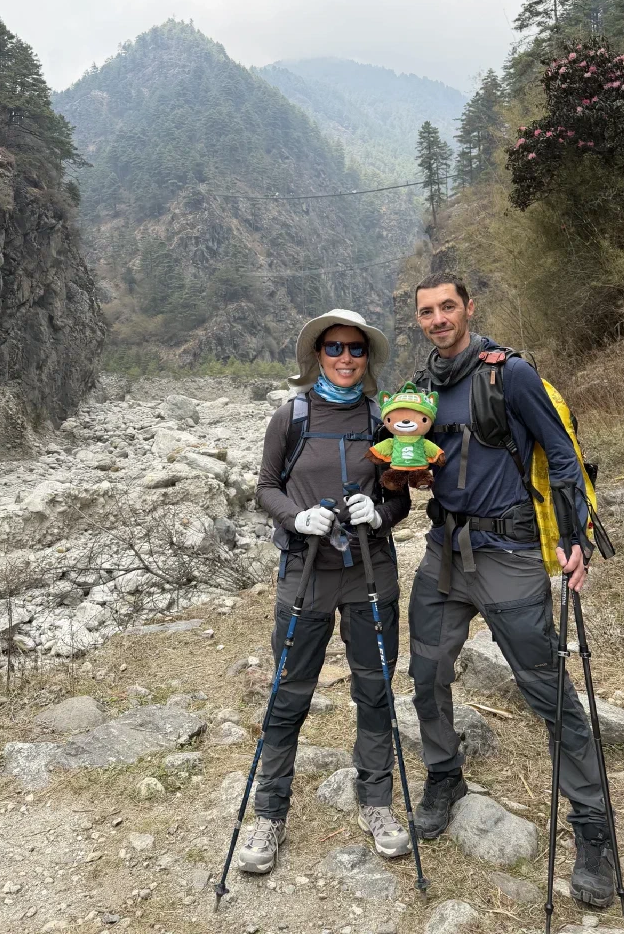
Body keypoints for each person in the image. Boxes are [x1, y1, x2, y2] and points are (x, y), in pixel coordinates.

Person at [407, 272, 615, 910]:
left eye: (448, 307)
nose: (439, 319)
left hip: (511, 552)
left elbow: (560, 452)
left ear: (469, 308)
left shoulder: (509, 374)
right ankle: (445, 775)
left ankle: (592, 826)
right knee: (425, 673)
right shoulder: (423, 388)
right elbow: (422, 467)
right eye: (426, 312)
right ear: (418, 320)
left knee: (546, 688)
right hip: (443, 551)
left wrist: (575, 537)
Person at [238, 309, 411, 876]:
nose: (344, 357)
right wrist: (297, 517)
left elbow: (401, 499)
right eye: (334, 347)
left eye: (355, 350)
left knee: (375, 688)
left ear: (366, 359)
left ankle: (378, 803)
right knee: (289, 694)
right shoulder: (291, 417)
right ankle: (268, 813)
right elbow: (264, 488)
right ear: (317, 353)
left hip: (369, 571)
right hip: (305, 571)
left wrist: (379, 514)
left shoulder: (382, 421)